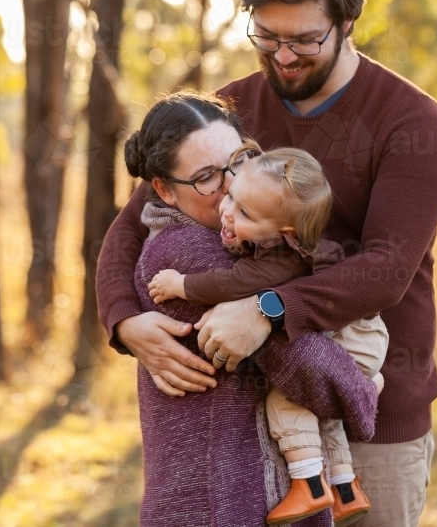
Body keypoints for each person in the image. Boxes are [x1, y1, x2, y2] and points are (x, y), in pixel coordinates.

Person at [98, 0, 437, 526]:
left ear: (347, 24)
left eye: (305, 40)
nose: (283, 56)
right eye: (266, 36)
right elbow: (130, 227)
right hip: (252, 424)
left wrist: (265, 310)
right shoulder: (222, 115)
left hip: (373, 416)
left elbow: (385, 273)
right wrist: (125, 321)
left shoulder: (410, 122)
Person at [120, 92, 379, 527]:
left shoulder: (244, 243)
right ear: (163, 190)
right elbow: (310, 369)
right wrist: (364, 392)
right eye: (206, 178)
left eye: (235, 165)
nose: (229, 187)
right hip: (220, 501)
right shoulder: (192, 253)